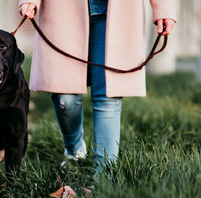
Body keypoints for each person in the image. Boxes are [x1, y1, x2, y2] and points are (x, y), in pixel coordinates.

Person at [18, 0, 176, 172]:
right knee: (65, 98)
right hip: (62, 10)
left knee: (108, 94)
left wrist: (164, 8)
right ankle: (74, 150)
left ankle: (104, 175)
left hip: (116, 12)